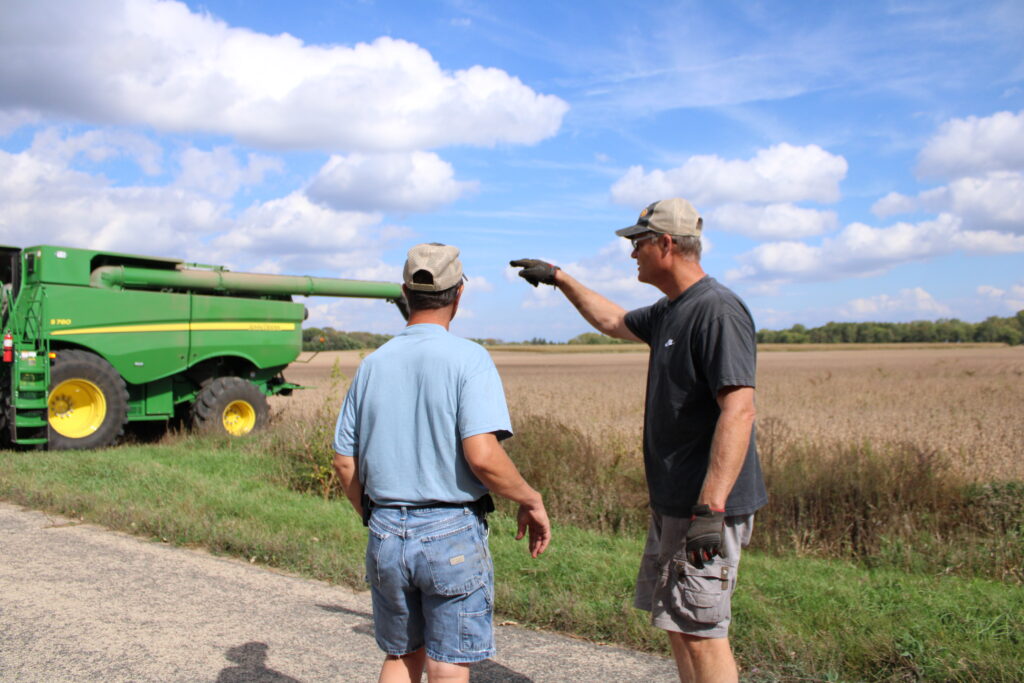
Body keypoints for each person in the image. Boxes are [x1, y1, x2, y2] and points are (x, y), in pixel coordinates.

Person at [511, 198, 766, 683]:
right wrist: (560, 278)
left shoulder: (717, 310)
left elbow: (740, 409)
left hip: (704, 508)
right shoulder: (672, 310)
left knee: (702, 631)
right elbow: (612, 321)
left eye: (638, 243)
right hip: (677, 503)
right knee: (679, 622)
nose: (631, 253)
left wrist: (710, 510)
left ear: (666, 244)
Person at [333, 242, 551, 683]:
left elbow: (343, 462)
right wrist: (530, 498)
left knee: (401, 655)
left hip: (385, 529)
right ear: (459, 294)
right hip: (451, 532)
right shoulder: (469, 359)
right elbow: (483, 457)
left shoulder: (371, 365)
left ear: (404, 293)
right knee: (448, 661)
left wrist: (374, 516)